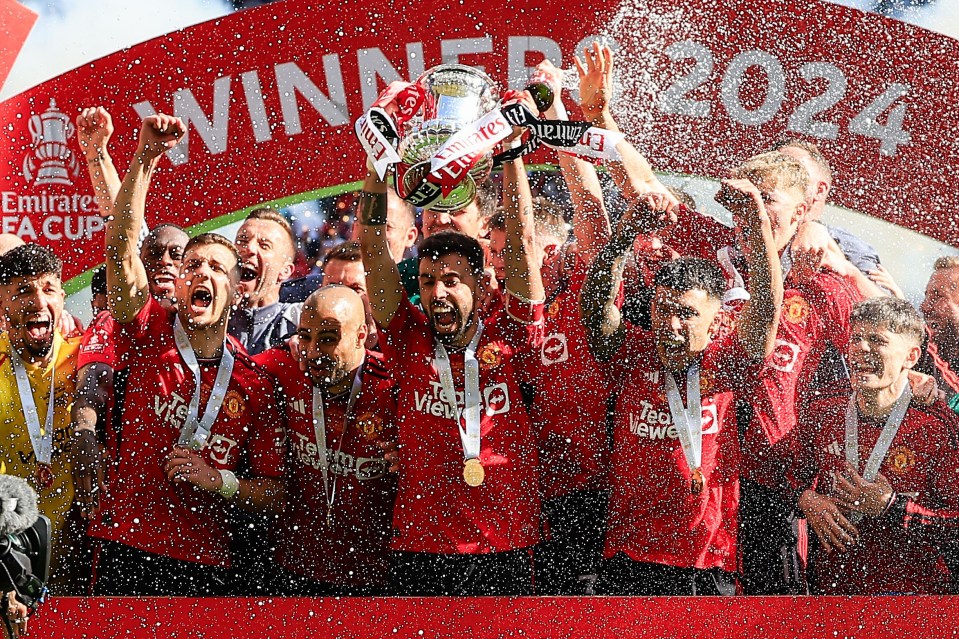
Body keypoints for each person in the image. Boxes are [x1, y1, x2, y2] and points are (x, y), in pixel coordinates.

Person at [87, 113, 285, 596]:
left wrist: (220, 482)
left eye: (218, 267)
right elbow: (120, 250)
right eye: (192, 265)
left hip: (205, 565)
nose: (202, 273)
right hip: (122, 547)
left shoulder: (254, 382)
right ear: (177, 283)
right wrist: (145, 158)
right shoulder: (147, 326)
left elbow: (275, 494)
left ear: (238, 289)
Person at [359, 105, 546, 595]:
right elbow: (373, 248)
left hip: (506, 545)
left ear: (482, 286)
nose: (437, 293)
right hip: (421, 547)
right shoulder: (407, 335)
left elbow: (524, 242)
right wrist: (378, 163)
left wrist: (512, 155)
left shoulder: (513, 335)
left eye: (451, 282)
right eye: (426, 282)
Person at [581, 173, 783, 595]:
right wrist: (624, 236)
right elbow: (597, 307)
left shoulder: (727, 363)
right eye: (663, 310)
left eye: (687, 314)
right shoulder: (633, 354)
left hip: (710, 562)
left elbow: (764, 307)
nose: (671, 326)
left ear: (717, 320)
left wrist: (756, 225)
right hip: (630, 561)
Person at [795, 297, 959, 594]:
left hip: (913, 602)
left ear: (911, 357)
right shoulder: (824, 411)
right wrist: (806, 499)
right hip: (831, 596)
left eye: (877, 340)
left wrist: (892, 508)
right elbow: (776, 478)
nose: (861, 348)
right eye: (855, 338)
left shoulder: (937, 425)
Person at [253, 286, 398, 595]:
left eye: (329, 339)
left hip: (374, 579)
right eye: (305, 336)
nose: (315, 350)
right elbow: (224, 366)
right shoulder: (283, 368)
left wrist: (410, 457)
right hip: (291, 571)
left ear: (361, 336)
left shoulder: (392, 386)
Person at [0, 244, 86, 595]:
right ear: (2, 303)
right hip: (9, 558)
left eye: (48, 289)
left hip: (81, 554)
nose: (38, 300)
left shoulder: (86, 356)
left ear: (63, 297)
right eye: (23, 291)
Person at [230, 207, 301, 355]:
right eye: (242, 240)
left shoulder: (298, 321)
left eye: (264, 245)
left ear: (285, 271)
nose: (248, 248)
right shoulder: (209, 317)